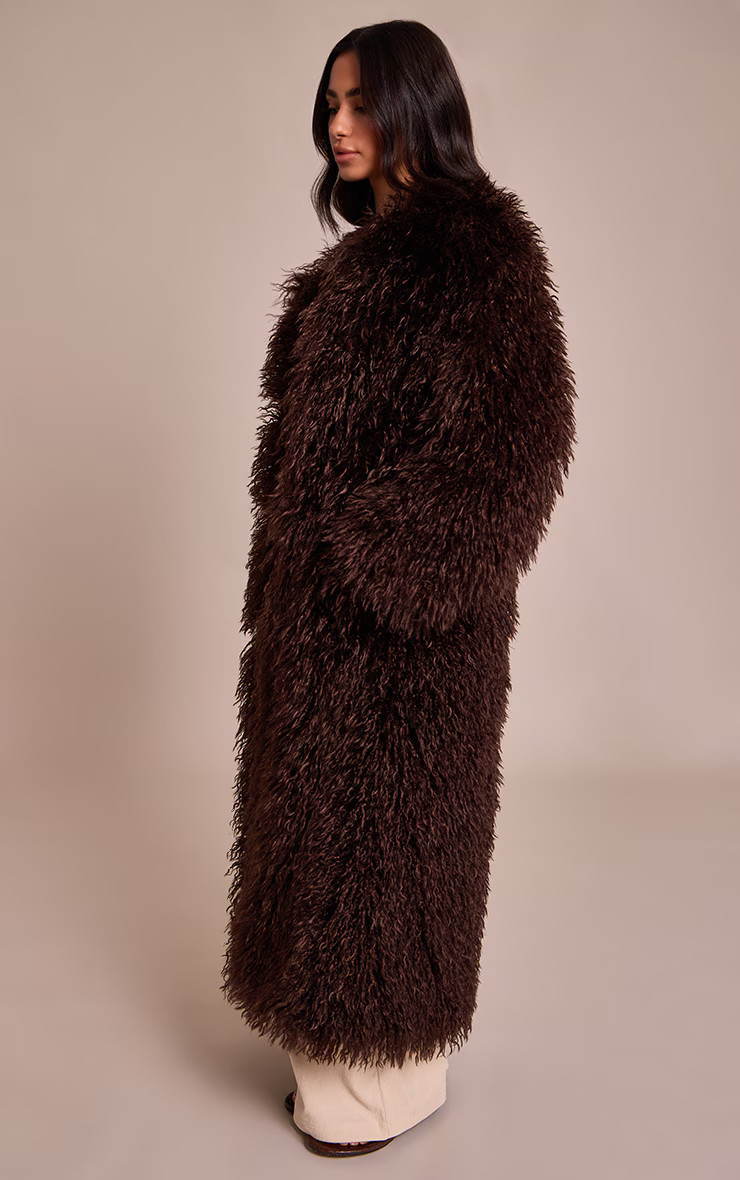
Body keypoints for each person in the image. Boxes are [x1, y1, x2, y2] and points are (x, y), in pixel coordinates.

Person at [221, 19, 578, 1158]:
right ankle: (329, 1062)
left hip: (408, 635)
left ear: (421, 104)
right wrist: (302, 581)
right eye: (330, 104)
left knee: (391, 847)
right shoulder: (348, 269)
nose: (339, 125)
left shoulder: (479, 254)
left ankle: (382, 1082)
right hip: (313, 629)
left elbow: (520, 438)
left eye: (363, 102)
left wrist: (382, 568)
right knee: (313, 838)